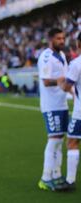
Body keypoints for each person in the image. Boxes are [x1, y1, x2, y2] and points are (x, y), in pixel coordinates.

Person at [37, 28, 69, 191]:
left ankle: (56, 175)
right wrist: (62, 80)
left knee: (60, 139)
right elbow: (46, 81)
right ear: (50, 39)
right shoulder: (46, 57)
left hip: (62, 103)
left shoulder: (62, 55)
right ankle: (45, 177)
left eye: (63, 38)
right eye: (58, 38)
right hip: (51, 105)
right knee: (54, 139)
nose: (62, 41)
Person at [58, 32, 81, 190]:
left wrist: (60, 82)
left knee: (72, 142)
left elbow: (67, 87)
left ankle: (70, 181)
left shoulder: (76, 63)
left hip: (80, 113)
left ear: (78, 44)